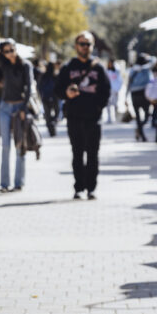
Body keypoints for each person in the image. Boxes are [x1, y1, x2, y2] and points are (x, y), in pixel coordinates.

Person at [55, 31, 110, 200]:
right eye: (82, 43)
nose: (85, 47)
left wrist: (98, 107)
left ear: (92, 47)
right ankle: (78, 187)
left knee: (93, 154)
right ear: (76, 46)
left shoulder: (99, 68)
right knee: (77, 154)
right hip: (75, 117)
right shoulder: (68, 67)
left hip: (93, 118)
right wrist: (66, 93)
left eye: (88, 44)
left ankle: (91, 188)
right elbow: (57, 90)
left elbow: (106, 91)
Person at [0, 39, 35, 192]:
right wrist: (2, 47)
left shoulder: (25, 65)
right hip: (4, 107)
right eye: (6, 51)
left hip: (20, 108)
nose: (10, 54)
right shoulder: (4, 65)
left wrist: (25, 108)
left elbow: (30, 87)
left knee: (20, 145)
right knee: (5, 146)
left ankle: (19, 182)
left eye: (12, 50)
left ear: (16, 49)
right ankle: (4, 184)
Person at [127, 54, 154, 142]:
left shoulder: (132, 69)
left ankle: (140, 132)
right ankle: (141, 132)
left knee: (138, 116)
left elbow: (128, 82)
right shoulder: (146, 69)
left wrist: (126, 96)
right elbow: (154, 60)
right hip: (144, 94)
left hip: (134, 94)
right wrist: (149, 57)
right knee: (147, 115)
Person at [38, 58, 60, 137]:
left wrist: (41, 95)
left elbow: (39, 87)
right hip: (54, 97)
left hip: (46, 97)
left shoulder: (43, 75)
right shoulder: (55, 76)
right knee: (56, 113)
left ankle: (51, 127)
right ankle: (52, 125)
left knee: (48, 115)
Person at [105, 59, 122, 124]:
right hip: (108, 90)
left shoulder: (117, 72)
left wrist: (117, 89)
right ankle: (109, 118)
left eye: (111, 63)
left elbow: (120, 81)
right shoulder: (106, 71)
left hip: (115, 90)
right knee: (108, 104)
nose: (110, 64)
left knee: (115, 104)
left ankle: (115, 117)